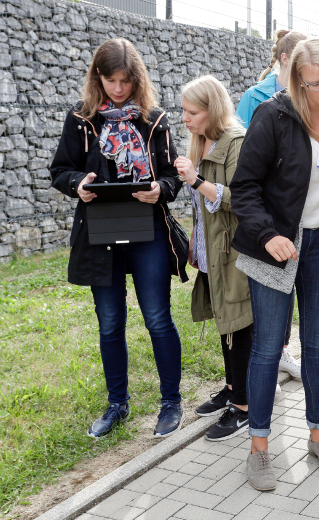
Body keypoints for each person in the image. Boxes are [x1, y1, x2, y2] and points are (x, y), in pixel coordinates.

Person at [230, 38, 319, 491]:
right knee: (268, 348)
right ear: (297, 80)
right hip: (276, 246)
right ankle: (259, 448)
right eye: (316, 83)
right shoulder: (273, 116)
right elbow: (245, 187)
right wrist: (268, 235)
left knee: (317, 348)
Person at [49, 38, 185, 439]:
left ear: (137, 79)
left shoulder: (154, 120)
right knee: (110, 324)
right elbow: (60, 170)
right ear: (98, 78)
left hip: (148, 233)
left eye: (126, 81)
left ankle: (171, 402)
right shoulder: (79, 119)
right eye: (111, 80)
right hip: (100, 234)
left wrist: (161, 187)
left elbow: (175, 175)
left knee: (158, 318)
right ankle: (117, 404)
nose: (118, 89)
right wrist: (80, 184)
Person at [174, 75, 254, 441]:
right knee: (225, 323)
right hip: (210, 251)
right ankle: (231, 388)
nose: (186, 119)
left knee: (238, 324)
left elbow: (242, 199)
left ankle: (244, 406)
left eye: (192, 112)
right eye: (184, 112)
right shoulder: (200, 143)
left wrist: (195, 180)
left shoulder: (236, 143)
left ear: (212, 110)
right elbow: (200, 209)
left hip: (232, 252)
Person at [236, 29, 308, 381]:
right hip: (262, 213)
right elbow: (242, 154)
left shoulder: (309, 99)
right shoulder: (256, 97)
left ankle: (282, 351)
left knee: (289, 284)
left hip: (297, 212)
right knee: (265, 288)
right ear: (284, 58)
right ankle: (262, 362)